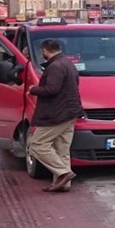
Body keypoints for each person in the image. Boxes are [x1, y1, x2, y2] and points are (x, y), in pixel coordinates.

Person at [27, 39, 84, 193]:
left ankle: (63, 173)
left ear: (45, 50)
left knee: (37, 144)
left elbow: (51, 89)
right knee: (62, 149)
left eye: (42, 51)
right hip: (70, 112)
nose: (42, 54)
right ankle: (63, 184)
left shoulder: (55, 66)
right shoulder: (68, 63)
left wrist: (33, 89)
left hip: (57, 113)